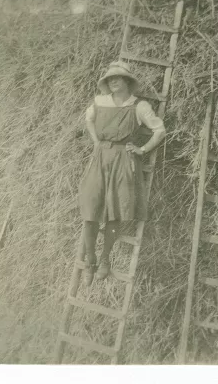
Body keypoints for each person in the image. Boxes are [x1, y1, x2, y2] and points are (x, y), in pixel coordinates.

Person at [79, 60, 166, 286]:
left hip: (124, 161)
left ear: (127, 81)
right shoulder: (99, 102)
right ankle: (90, 260)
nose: (113, 81)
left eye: (117, 77)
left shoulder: (139, 106)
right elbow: (88, 120)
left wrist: (142, 149)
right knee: (90, 210)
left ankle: (105, 259)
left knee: (115, 212)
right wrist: (96, 141)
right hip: (100, 158)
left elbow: (159, 130)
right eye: (109, 78)